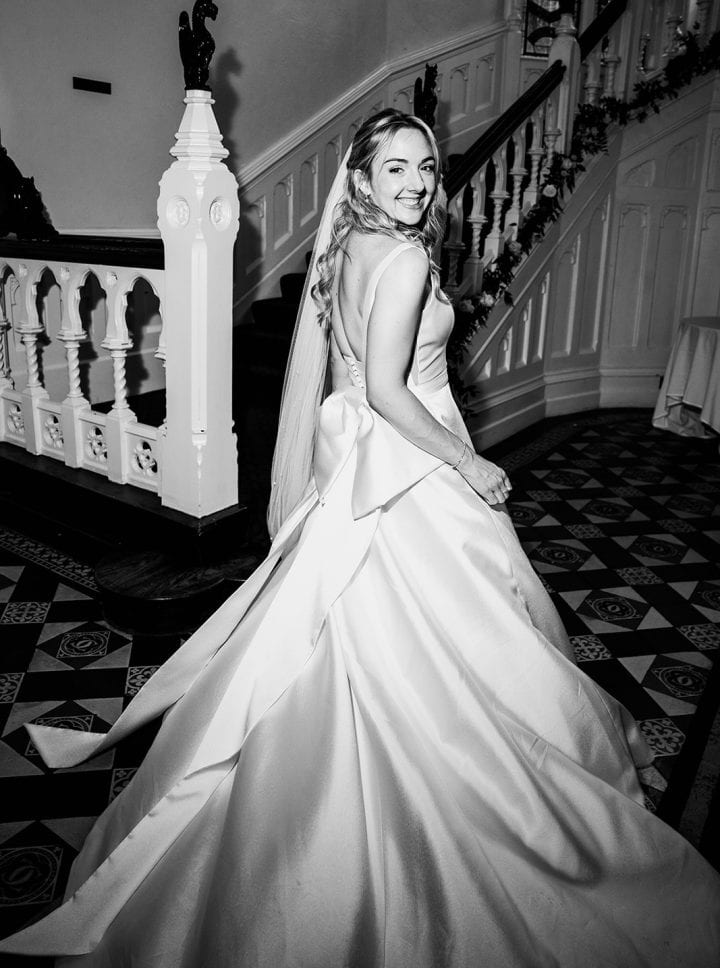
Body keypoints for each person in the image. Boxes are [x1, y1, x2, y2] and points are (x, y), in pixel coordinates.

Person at [1, 110, 719, 967]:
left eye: (425, 166)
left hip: (358, 465)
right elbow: (384, 388)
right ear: (365, 179)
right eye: (395, 170)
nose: (416, 182)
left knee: (330, 639)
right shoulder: (409, 257)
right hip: (408, 465)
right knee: (447, 651)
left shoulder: (344, 248)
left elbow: (349, 382)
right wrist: (468, 462)